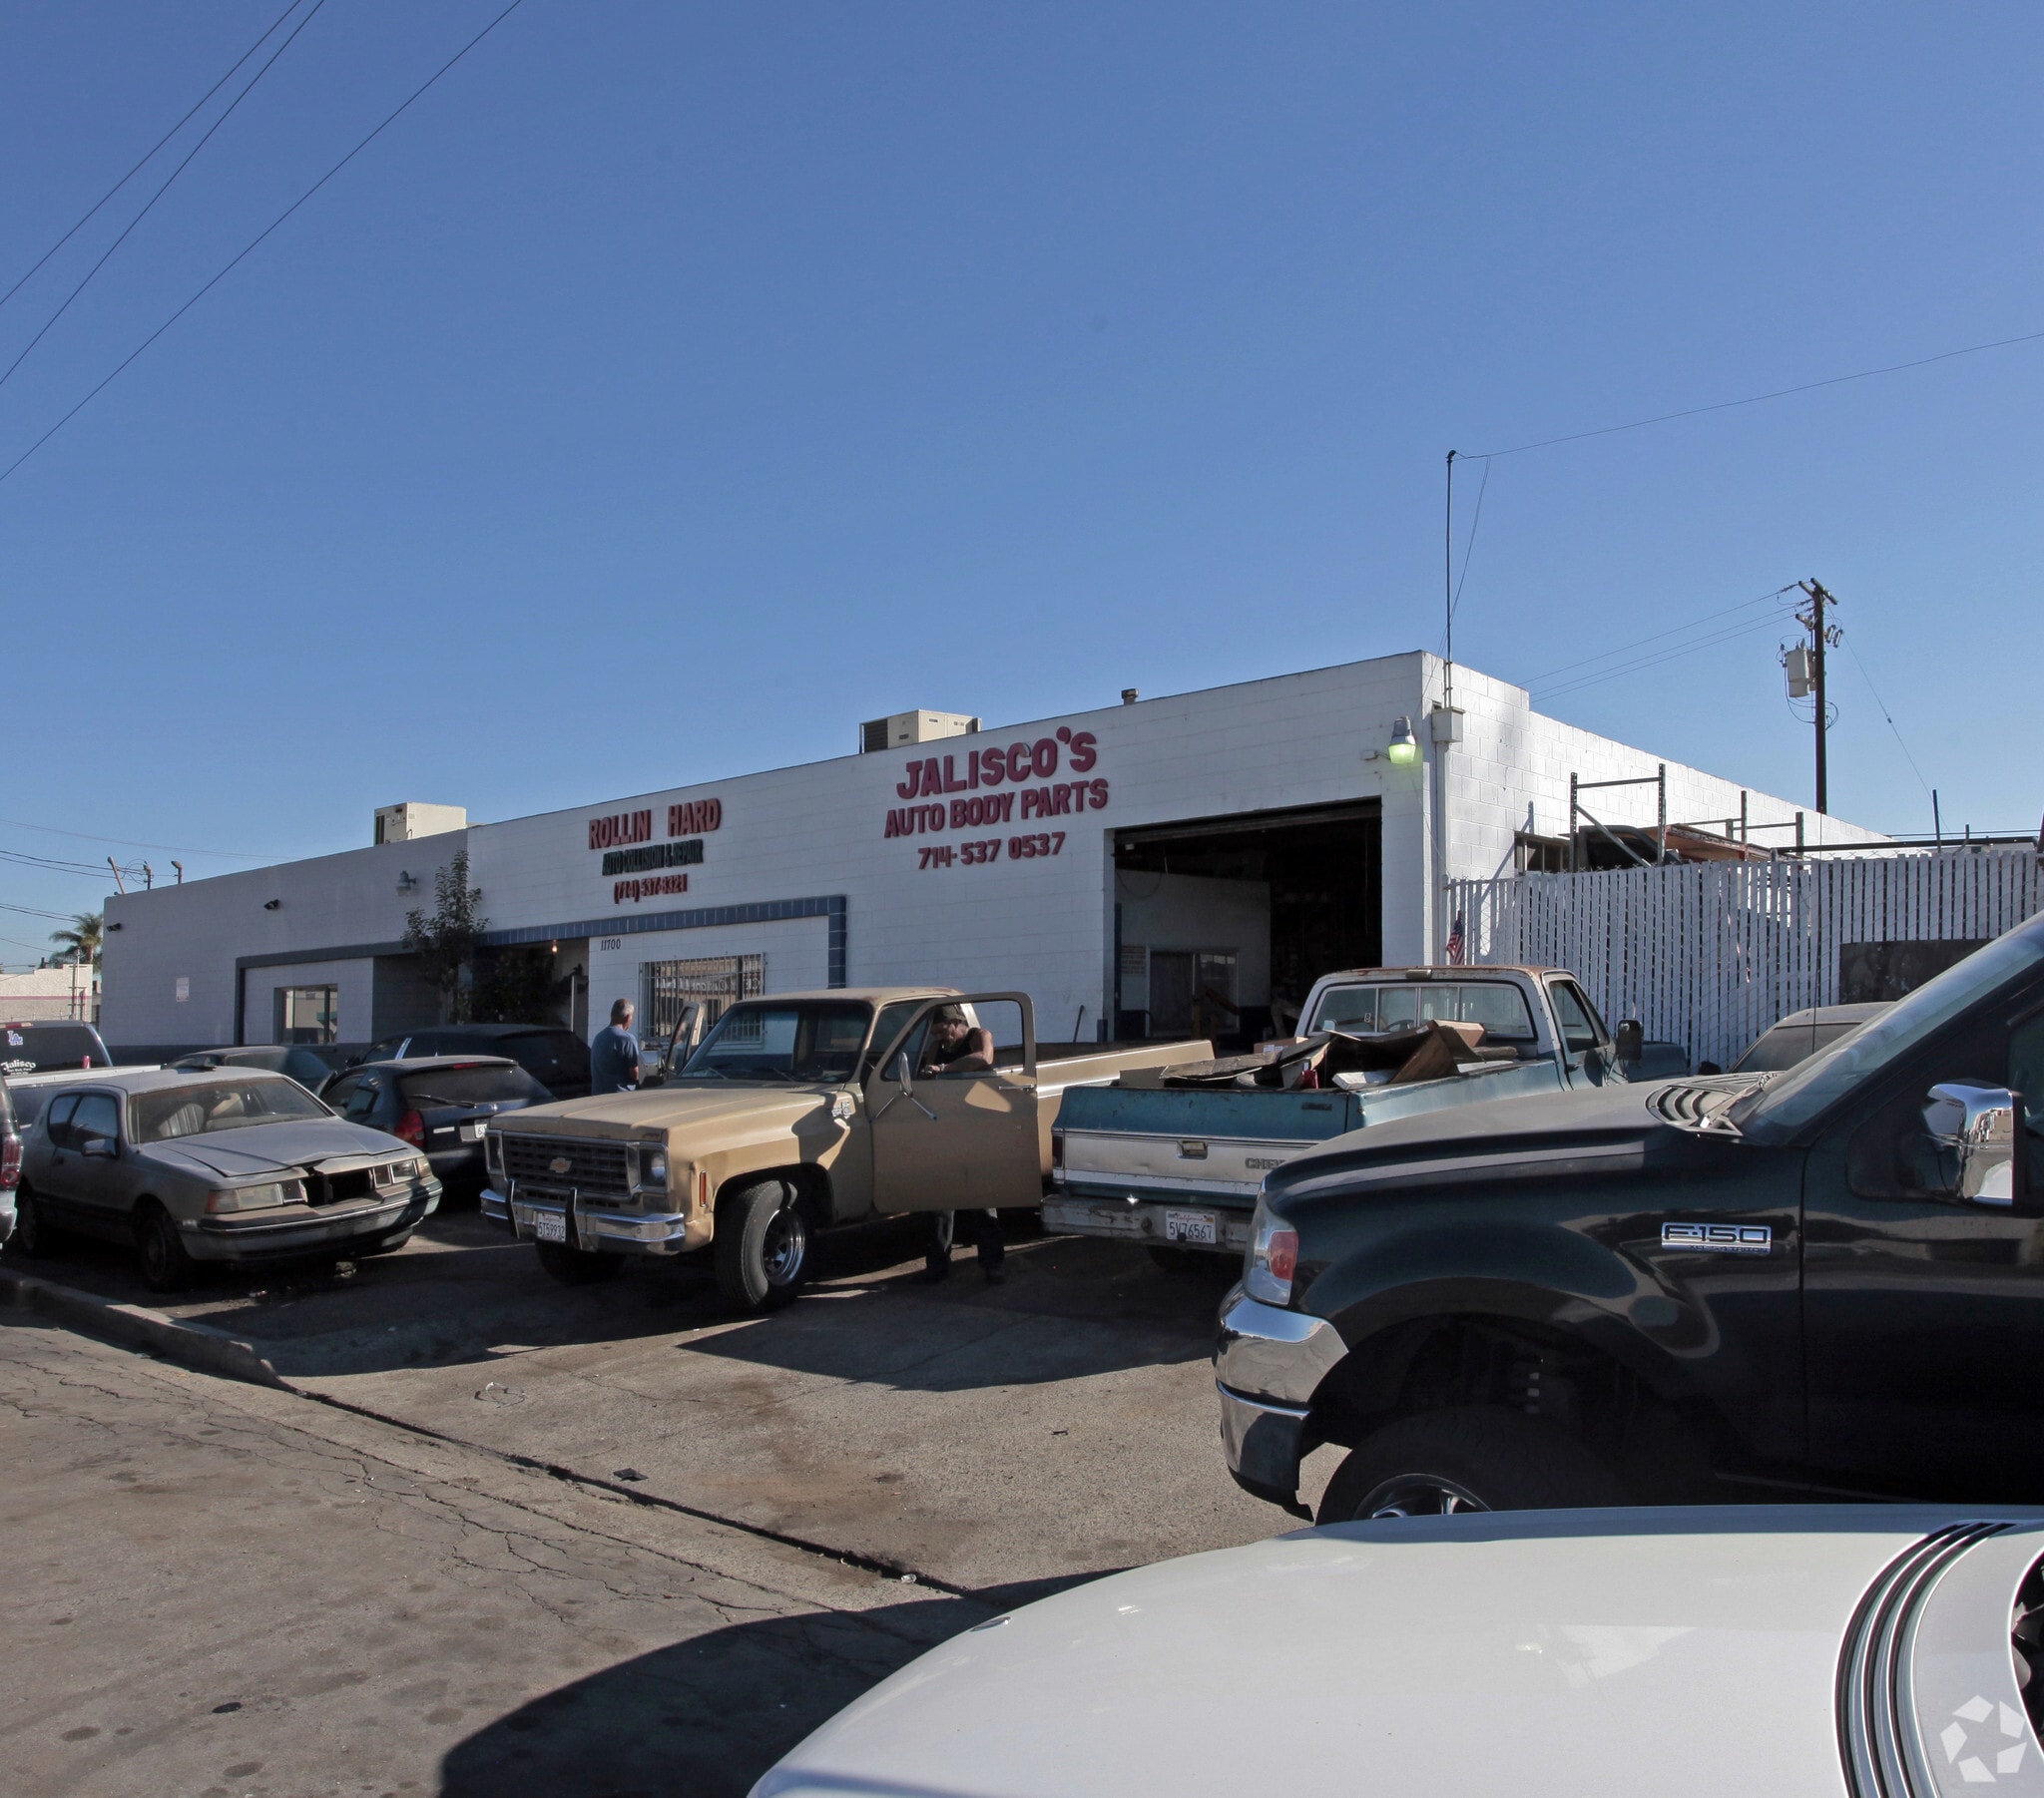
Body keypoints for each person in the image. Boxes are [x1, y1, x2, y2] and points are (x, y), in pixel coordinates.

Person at [917, 1005, 1005, 1283]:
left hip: (976, 1126)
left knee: (981, 1200)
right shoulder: (935, 1047)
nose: (941, 1038)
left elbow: (984, 1058)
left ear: (957, 1022)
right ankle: (937, 1268)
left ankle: (993, 1265)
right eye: (936, 1033)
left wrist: (945, 1069)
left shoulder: (979, 1036)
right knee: (940, 1204)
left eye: (944, 1031)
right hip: (945, 1128)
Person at [590, 999, 643, 1097]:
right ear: (628, 1017)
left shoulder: (598, 1037)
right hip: (620, 1097)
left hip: (597, 1095)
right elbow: (635, 1074)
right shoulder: (627, 1039)